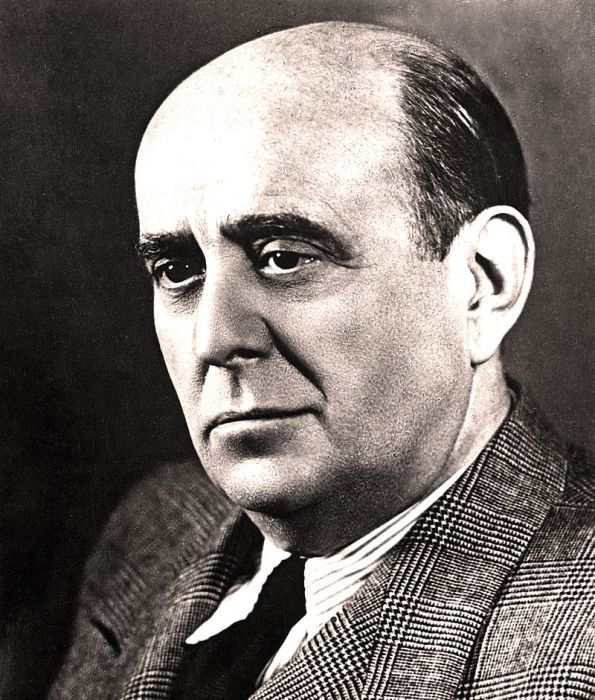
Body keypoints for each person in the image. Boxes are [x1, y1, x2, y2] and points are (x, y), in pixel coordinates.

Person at [50, 21, 594, 699]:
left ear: (483, 282)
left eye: (284, 258)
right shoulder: (159, 525)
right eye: (178, 270)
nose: (214, 340)